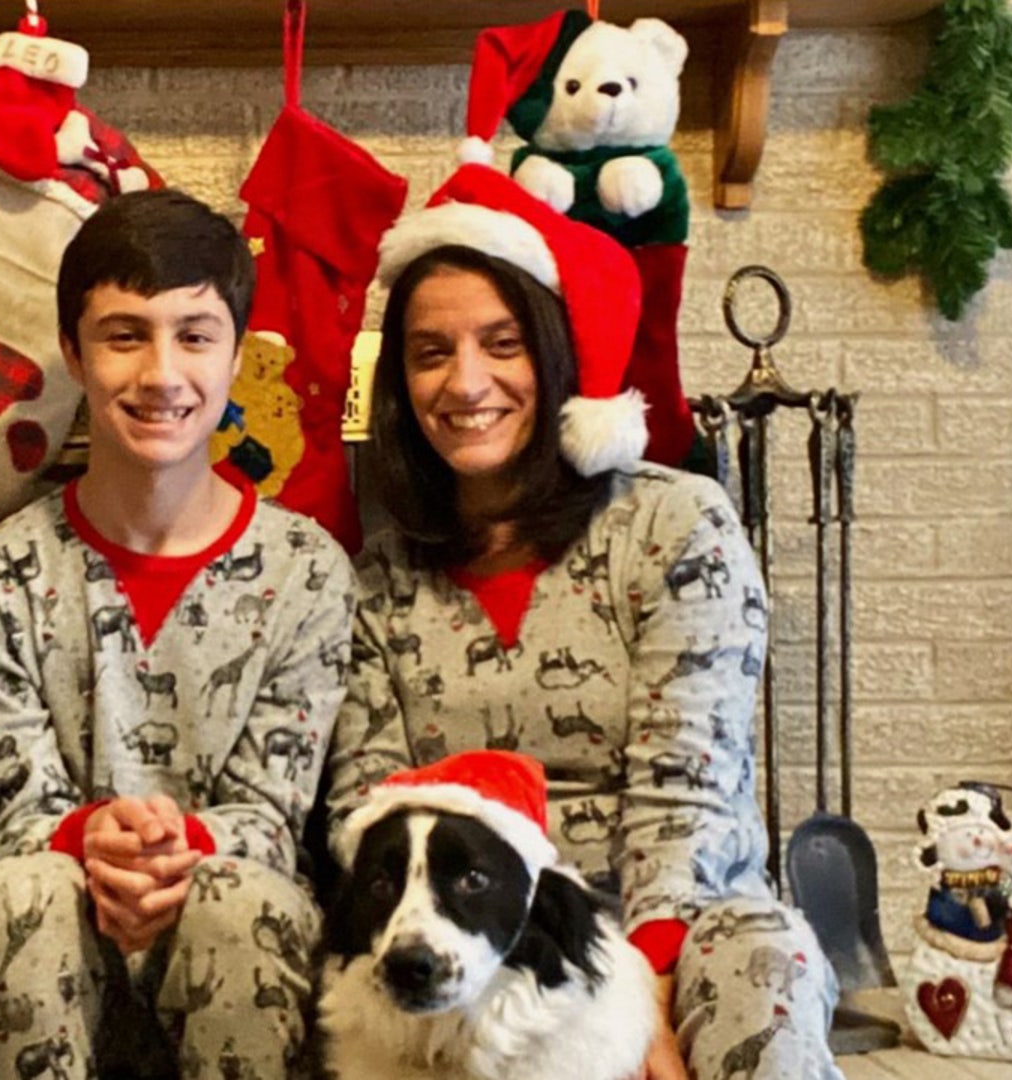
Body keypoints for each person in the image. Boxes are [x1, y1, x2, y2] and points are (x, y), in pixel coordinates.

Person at [326, 164, 842, 1080]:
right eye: (431, 351)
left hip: (678, 920)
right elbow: (369, 813)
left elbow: (687, 788)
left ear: (555, 356)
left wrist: (641, 996)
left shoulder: (677, 527)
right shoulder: (379, 579)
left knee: (768, 965)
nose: (466, 381)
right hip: (476, 931)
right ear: (402, 380)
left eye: (503, 343)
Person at [0, 189, 356, 1080]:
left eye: (194, 335)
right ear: (74, 352)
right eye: (125, 335)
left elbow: (271, 809)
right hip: (57, 912)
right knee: (23, 892)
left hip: (233, 923)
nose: (162, 374)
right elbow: (16, 808)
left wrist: (179, 856)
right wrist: (89, 844)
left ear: (236, 354)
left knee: (241, 898)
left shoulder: (310, 574)